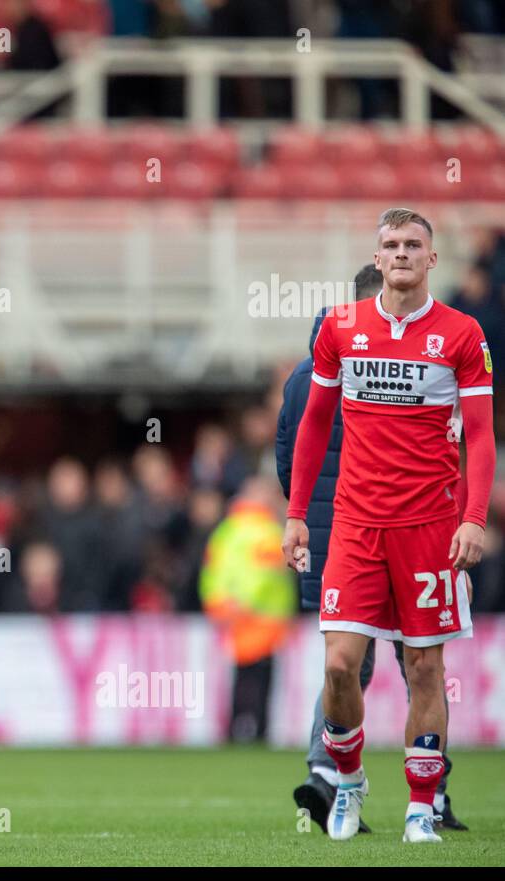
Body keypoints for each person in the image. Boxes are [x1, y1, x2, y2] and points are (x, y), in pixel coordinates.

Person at [282, 208, 495, 843]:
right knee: (340, 667)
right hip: (354, 526)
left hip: (429, 528)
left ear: (432, 259)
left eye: (413, 245)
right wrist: (296, 516)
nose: (400, 254)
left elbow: (482, 437)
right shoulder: (341, 328)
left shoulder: (462, 334)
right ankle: (347, 780)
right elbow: (313, 424)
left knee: (425, 670)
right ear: (376, 259)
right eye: (390, 245)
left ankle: (421, 805)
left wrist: (474, 519)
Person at [200, 476, 297, 742]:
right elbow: (265, 576)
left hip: (233, 614)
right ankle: (258, 730)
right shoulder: (267, 530)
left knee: (242, 676)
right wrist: (249, 602)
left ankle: (234, 729)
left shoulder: (227, 529)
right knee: (261, 678)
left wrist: (219, 604)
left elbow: (212, 571)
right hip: (262, 616)